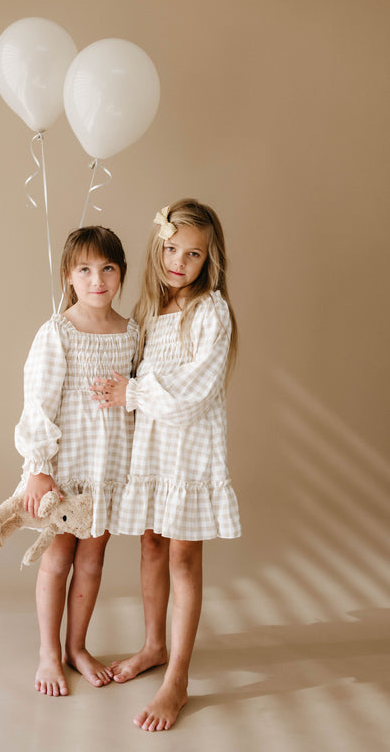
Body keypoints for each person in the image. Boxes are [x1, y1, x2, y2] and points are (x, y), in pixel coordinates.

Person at [91, 199, 241, 730]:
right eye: (171, 249)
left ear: (209, 260)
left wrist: (128, 393)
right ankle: (154, 645)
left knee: (183, 558)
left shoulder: (211, 312)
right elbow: (120, 367)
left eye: (192, 253)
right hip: (153, 449)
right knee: (150, 543)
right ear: (159, 248)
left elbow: (192, 393)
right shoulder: (149, 313)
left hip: (189, 449)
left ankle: (178, 677)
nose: (179, 261)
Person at [14, 225, 138, 696]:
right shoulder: (58, 332)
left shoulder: (131, 333)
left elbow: (134, 397)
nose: (97, 280)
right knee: (58, 558)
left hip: (108, 470)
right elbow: (38, 401)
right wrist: (39, 467)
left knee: (92, 560)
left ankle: (76, 646)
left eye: (107, 268)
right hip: (66, 471)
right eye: (85, 269)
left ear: (121, 274)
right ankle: (49, 651)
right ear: (69, 275)